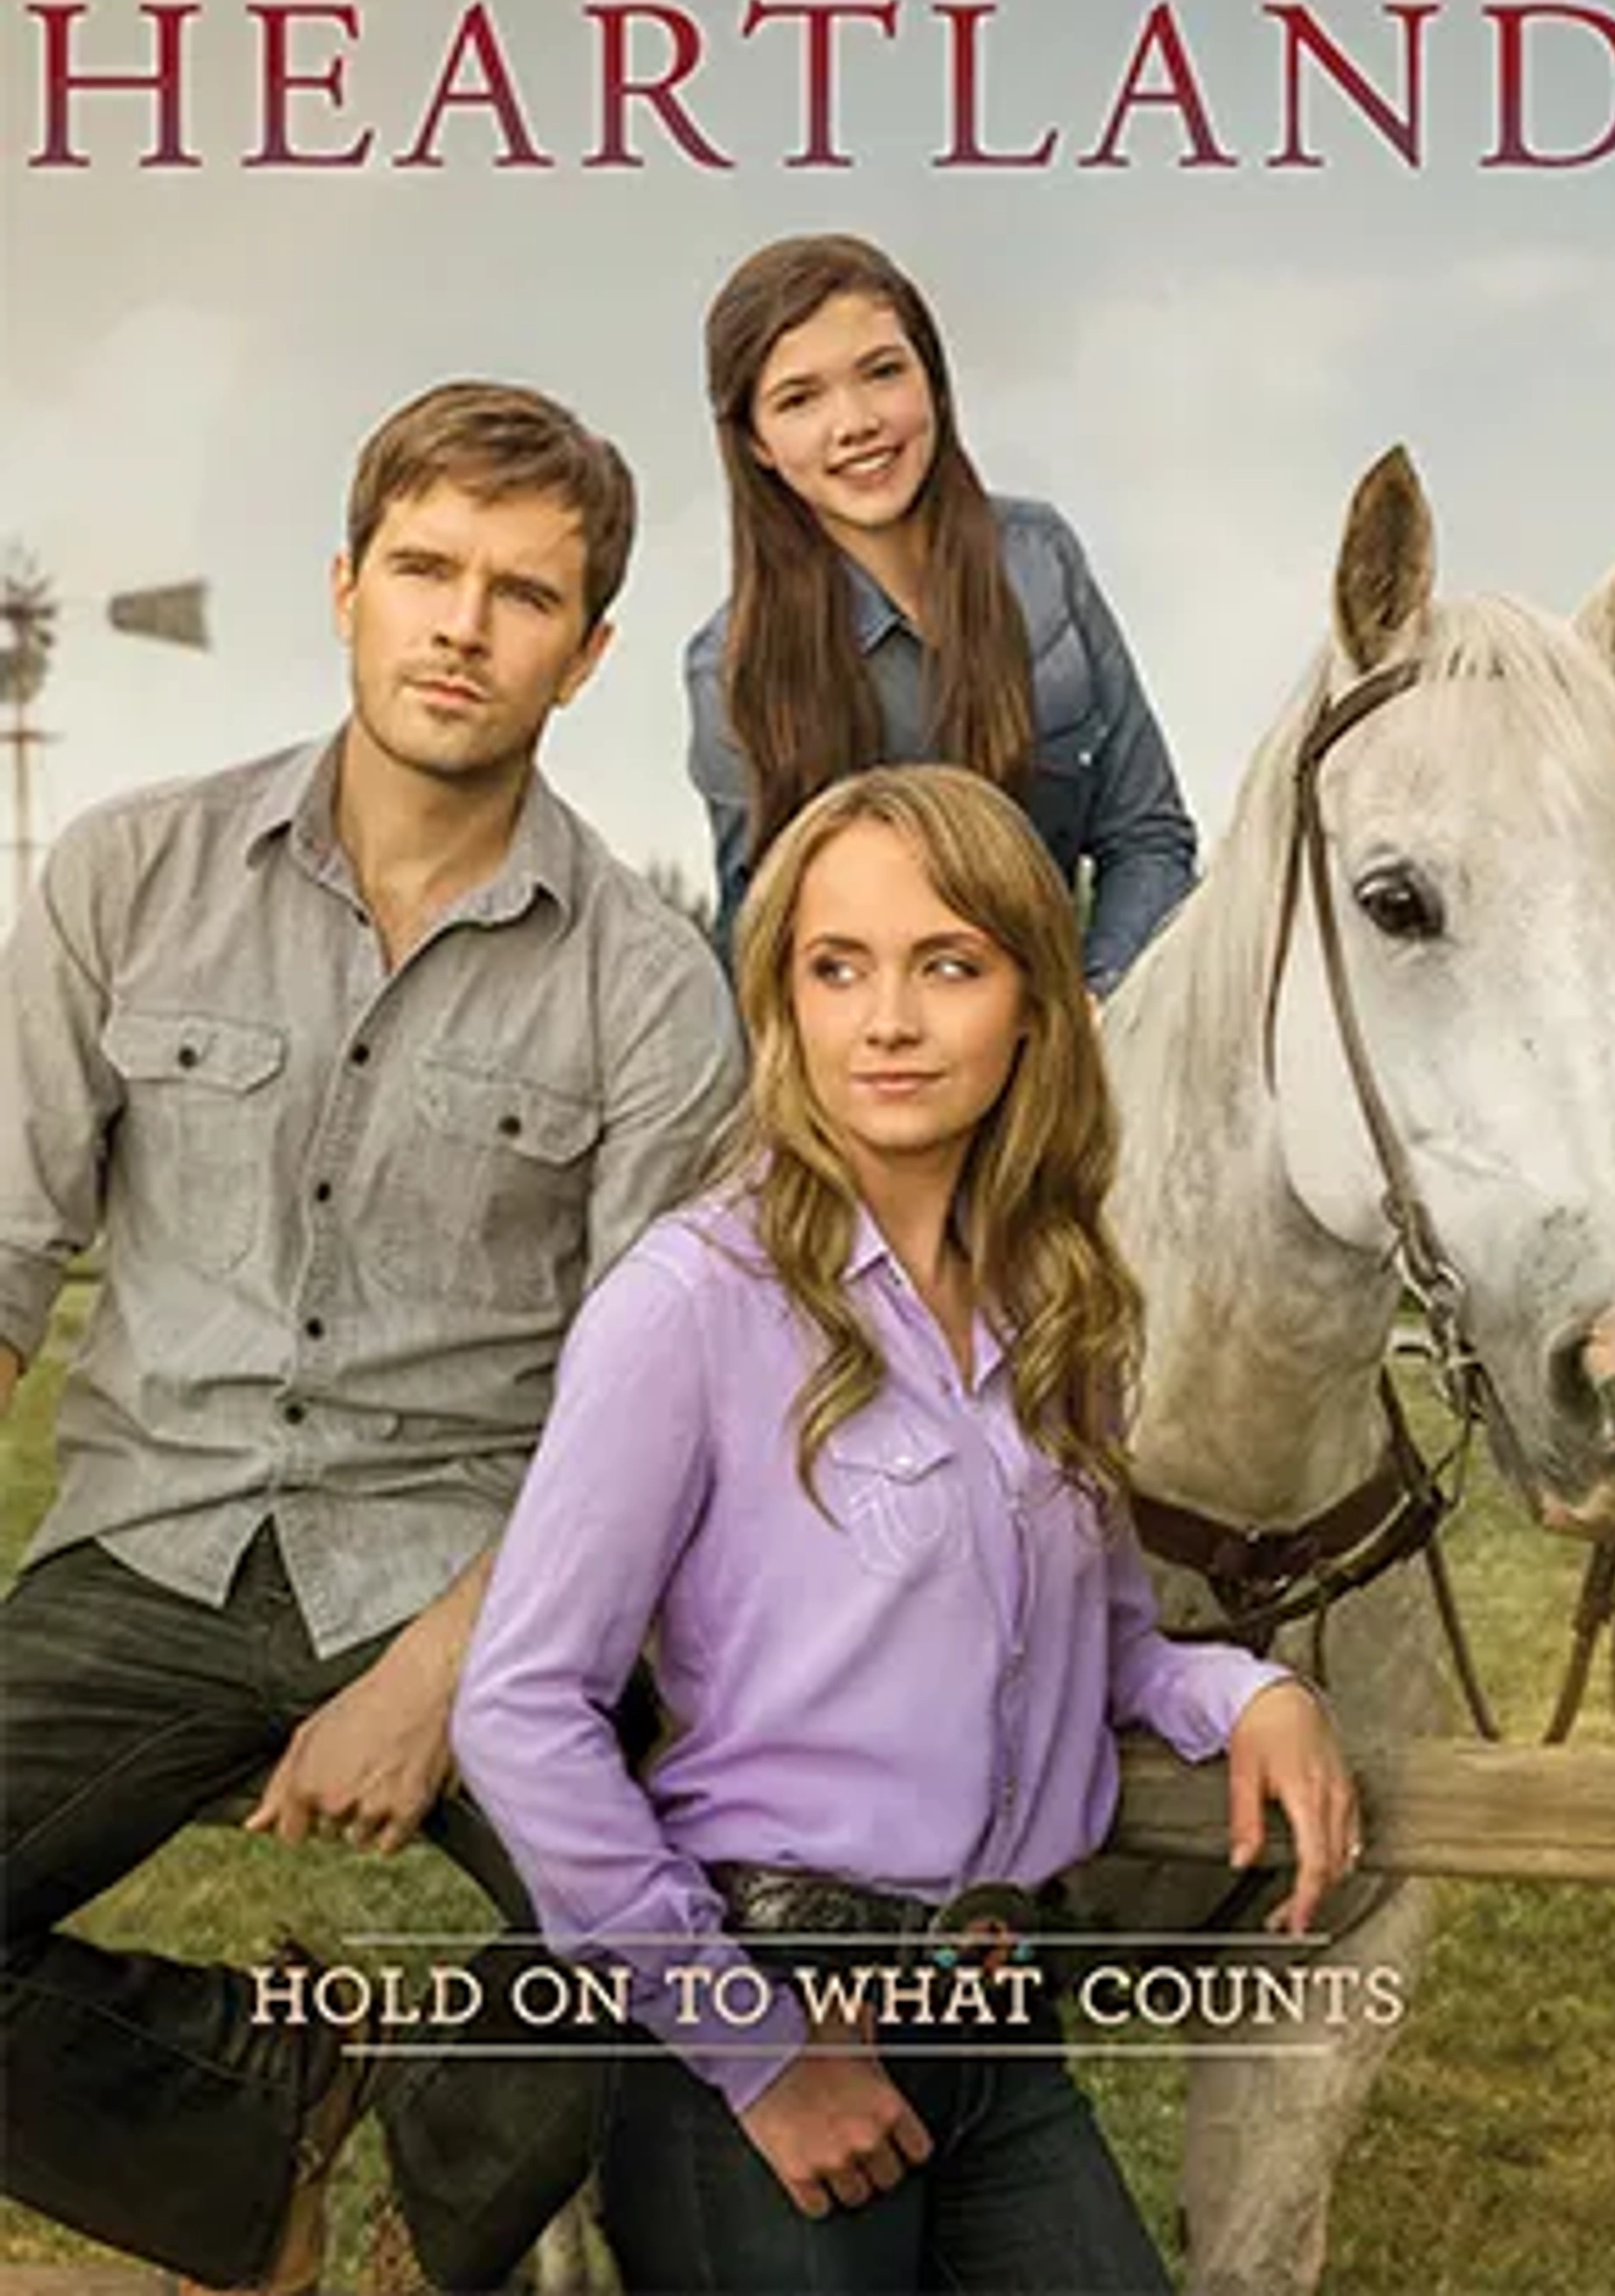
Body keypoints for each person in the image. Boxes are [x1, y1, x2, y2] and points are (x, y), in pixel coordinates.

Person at [0, 380, 743, 2293]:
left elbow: (639, 1425)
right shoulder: (124, 874)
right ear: (344, 585)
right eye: (423, 566)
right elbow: (5, 1251)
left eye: (521, 592)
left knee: (750, 1905)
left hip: (487, 1566)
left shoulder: (653, 991)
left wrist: (438, 1672)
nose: (459, 622)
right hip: (150, 1543)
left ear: (581, 657)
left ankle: (443, 2163)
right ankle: (246, 2108)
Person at [454, 762, 1358, 2295]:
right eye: (837, 965)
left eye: (948, 964)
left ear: (1031, 1002)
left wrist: (1249, 1690)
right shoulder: (689, 1306)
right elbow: (519, 1706)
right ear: (783, 999)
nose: (888, 1019)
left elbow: (1108, 1639)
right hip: (768, 2003)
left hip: (999, 2015)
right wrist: (754, 2049)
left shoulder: (1060, 1305)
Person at [686, 232, 1197, 996]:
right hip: (878, 1079)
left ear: (932, 380)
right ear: (756, 441)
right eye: (800, 399)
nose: (855, 421)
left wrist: (1095, 1013)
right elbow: (761, 947)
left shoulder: (1043, 563)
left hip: (1075, 1051)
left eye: (882, 372)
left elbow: (1148, 838)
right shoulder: (730, 666)